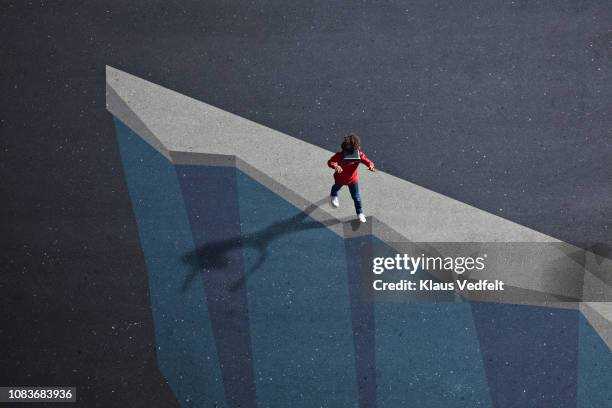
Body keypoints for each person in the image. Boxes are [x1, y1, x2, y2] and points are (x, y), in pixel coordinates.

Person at [327, 133, 375, 223]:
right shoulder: (339, 155)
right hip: (340, 178)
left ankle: (360, 213)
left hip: (353, 180)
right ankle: (333, 195)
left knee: (356, 197)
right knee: (336, 188)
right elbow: (330, 162)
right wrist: (335, 166)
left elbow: (368, 161)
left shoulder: (359, 155)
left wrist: (371, 165)